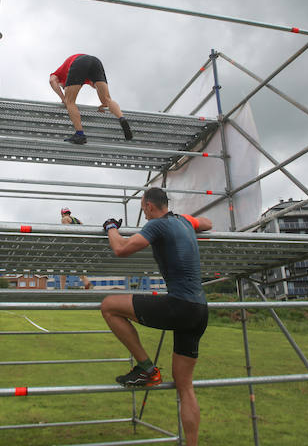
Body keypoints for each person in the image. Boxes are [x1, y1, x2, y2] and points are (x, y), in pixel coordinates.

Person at [100, 187, 212, 446]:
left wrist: (110, 228)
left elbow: (121, 249)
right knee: (185, 387)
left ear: (149, 207)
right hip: (200, 310)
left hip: (180, 306)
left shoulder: (157, 226)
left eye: (143, 209)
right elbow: (207, 223)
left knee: (108, 305)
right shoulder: (182, 221)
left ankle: (147, 369)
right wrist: (189, 222)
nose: (143, 214)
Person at [49, 53, 133, 144]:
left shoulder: (60, 74)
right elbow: (95, 85)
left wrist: (63, 98)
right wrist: (103, 103)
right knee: (107, 99)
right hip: (95, 62)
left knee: (70, 101)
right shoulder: (82, 76)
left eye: (63, 87)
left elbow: (52, 80)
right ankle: (121, 118)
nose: (64, 88)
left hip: (79, 62)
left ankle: (80, 134)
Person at [60, 208, 92, 288]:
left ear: (63, 214)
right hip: (79, 246)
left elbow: (67, 231)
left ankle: (62, 290)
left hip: (70, 246)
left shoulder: (64, 219)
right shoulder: (76, 220)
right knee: (77, 267)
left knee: (63, 268)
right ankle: (86, 281)